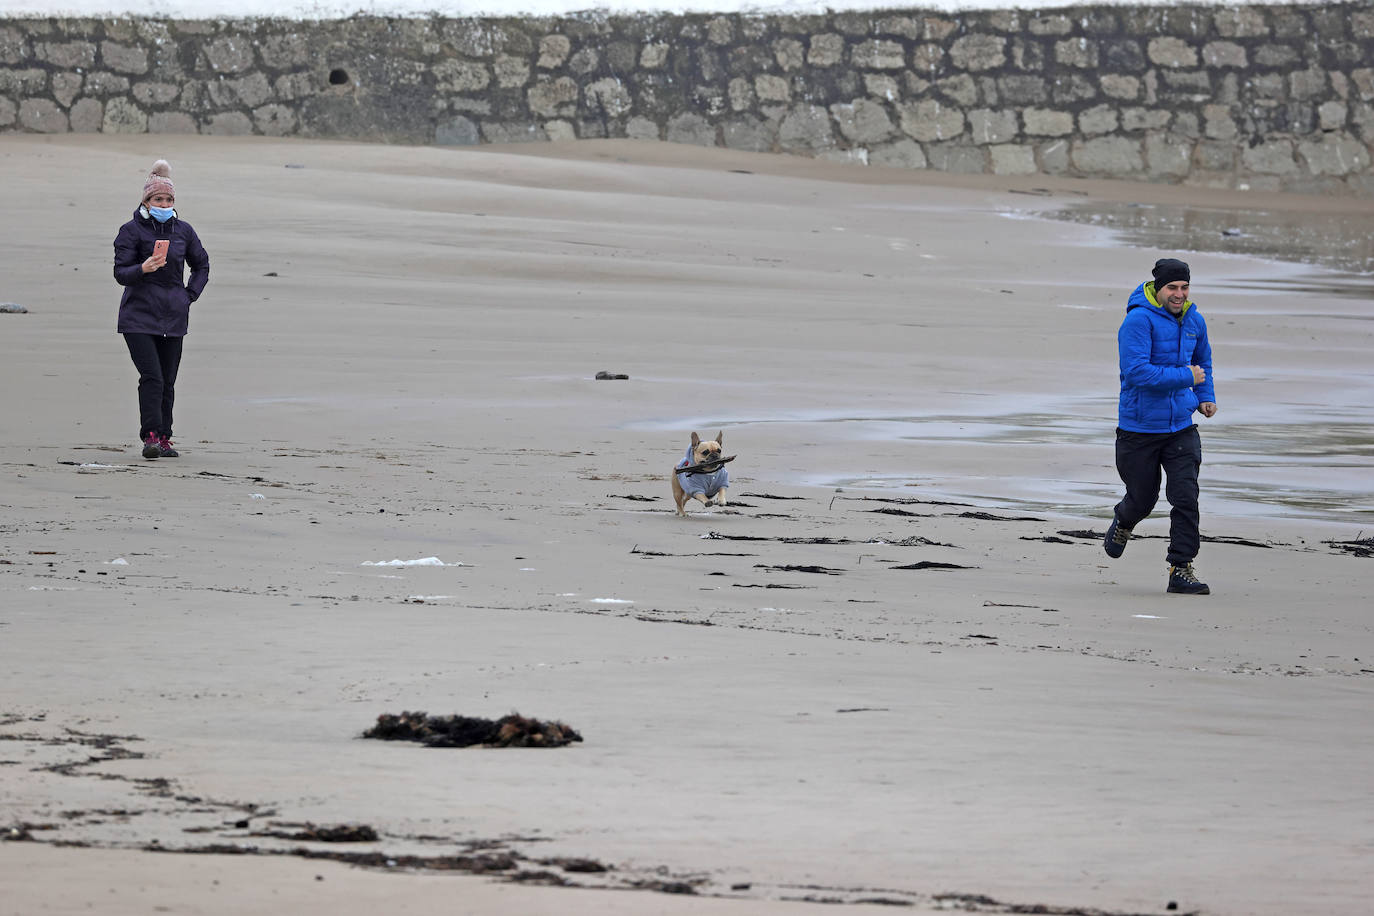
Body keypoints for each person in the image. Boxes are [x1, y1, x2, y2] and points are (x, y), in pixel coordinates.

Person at [1104, 257, 1216, 595]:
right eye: (1172, 288)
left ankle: (1180, 569)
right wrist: (1187, 376)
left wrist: (1204, 395)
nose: (1179, 294)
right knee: (1142, 499)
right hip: (1139, 429)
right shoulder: (1137, 321)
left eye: (1184, 287)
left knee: (1185, 497)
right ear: (1157, 288)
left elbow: (1203, 362)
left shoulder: (1194, 319)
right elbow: (1137, 373)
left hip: (1181, 426)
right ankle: (1124, 521)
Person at [113, 160, 210, 459]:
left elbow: (202, 265)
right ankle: (150, 437)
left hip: (174, 316)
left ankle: (164, 438)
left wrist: (188, 295)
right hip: (138, 317)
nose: (164, 203)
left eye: (168, 199)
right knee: (152, 377)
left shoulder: (184, 231)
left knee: (168, 380)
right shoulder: (130, 231)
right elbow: (120, 273)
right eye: (158, 199)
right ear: (146, 201)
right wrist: (142, 268)